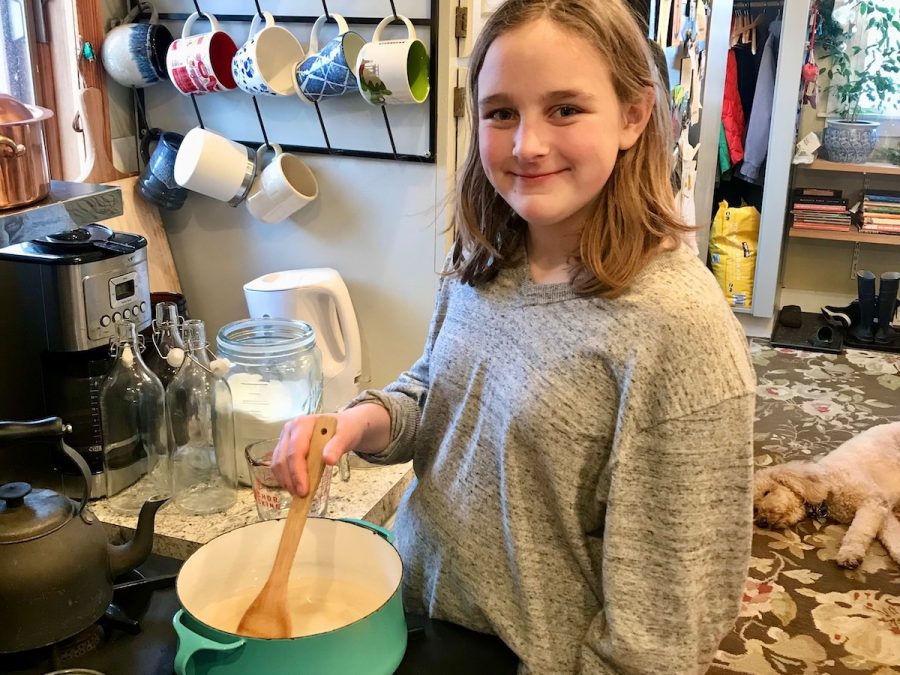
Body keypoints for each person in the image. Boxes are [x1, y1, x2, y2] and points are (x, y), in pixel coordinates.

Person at [272, 0, 756, 672]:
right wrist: (356, 423)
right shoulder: (489, 257)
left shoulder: (677, 331)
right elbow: (437, 394)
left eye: (564, 109)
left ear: (633, 115)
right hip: (410, 608)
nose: (527, 144)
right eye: (502, 112)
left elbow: (663, 633)